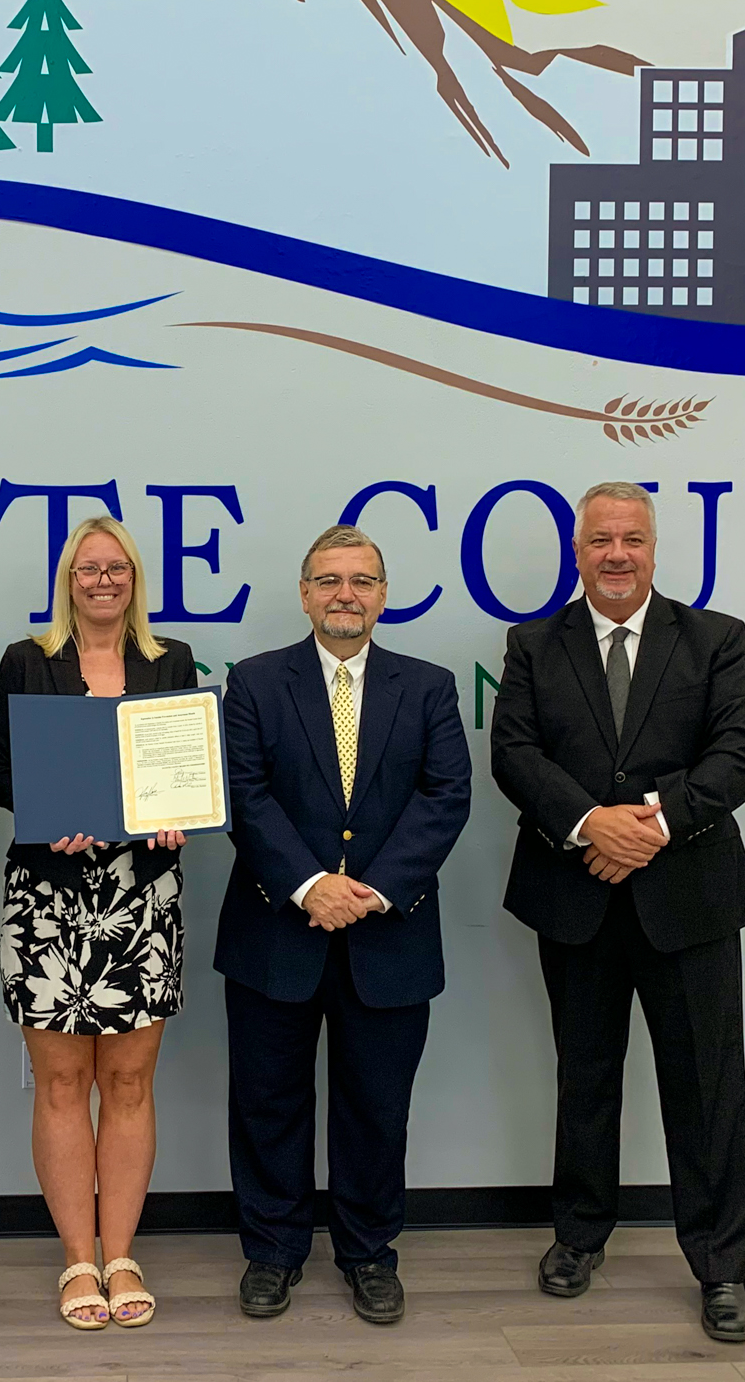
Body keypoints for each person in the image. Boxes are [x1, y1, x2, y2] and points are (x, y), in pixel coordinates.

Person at [489, 481, 745, 1345]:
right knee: (584, 1076)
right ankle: (578, 1238)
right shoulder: (535, 644)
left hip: (687, 898)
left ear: (654, 548)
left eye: (632, 539)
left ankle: (721, 1267)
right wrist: (585, 824)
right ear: (577, 552)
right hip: (574, 896)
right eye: (600, 539)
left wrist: (649, 823)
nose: (617, 554)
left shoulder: (713, 639)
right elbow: (515, 754)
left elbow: (741, 754)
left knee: (707, 1087)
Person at [215, 524, 473, 1325]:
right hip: (275, 931)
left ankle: (368, 1253)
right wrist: (309, 884)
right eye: (329, 580)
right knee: (268, 1102)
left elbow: (446, 795)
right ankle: (274, 1251)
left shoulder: (427, 686)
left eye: (361, 581)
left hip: (387, 934)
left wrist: (369, 890)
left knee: (375, 1105)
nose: (345, 595)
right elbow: (245, 795)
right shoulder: (255, 683)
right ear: (304, 594)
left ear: (383, 595)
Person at [0, 516, 194, 1332]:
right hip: (50, 897)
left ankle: (122, 1253)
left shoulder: (167, 661)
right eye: (86, 568)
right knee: (65, 1083)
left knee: (130, 1084)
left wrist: (178, 811)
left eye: (116, 567)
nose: (102, 579)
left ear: (135, 578)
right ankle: (78, 1260)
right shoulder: (27, 661)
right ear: (67, 579)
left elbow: (184, 766)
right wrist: (45, 812)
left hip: (143, 895)